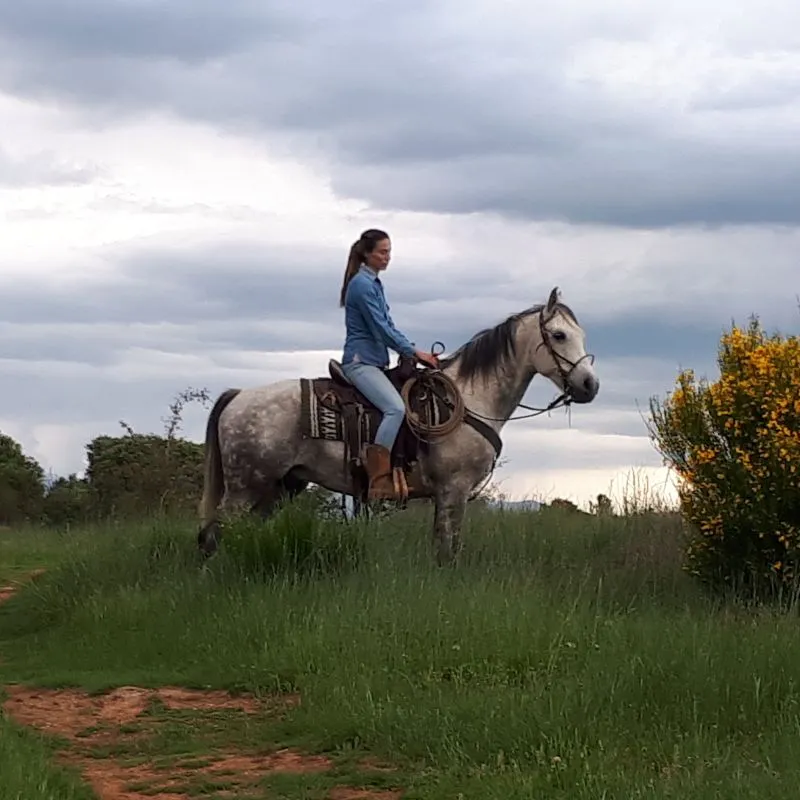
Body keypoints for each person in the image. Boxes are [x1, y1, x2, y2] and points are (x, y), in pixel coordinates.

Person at [339, 228, 440, 500]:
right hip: (360, 362)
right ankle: (379, 480)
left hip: (375, 361)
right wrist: (416, 352)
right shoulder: (361, 285)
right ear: (367, 254)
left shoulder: (373, 283)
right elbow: (382, 329)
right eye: (383, 252)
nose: (387, 257)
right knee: (395, 409)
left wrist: (410, 350)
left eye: (389, 252)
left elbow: (389, 326)